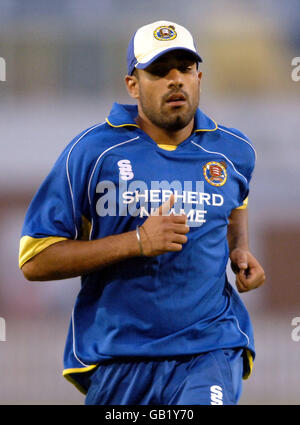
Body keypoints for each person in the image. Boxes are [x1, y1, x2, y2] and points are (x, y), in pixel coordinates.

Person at [19, 20, 265, 405]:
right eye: (159, 72)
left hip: (209, 348)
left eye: (185, 69)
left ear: (199, 76)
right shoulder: (91, 153)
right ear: (133, 84)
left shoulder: (233, 151)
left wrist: (241, 248)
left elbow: (238, 201)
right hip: (120, 358)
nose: (175, 81)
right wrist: (137, 242)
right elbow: (35, 259)